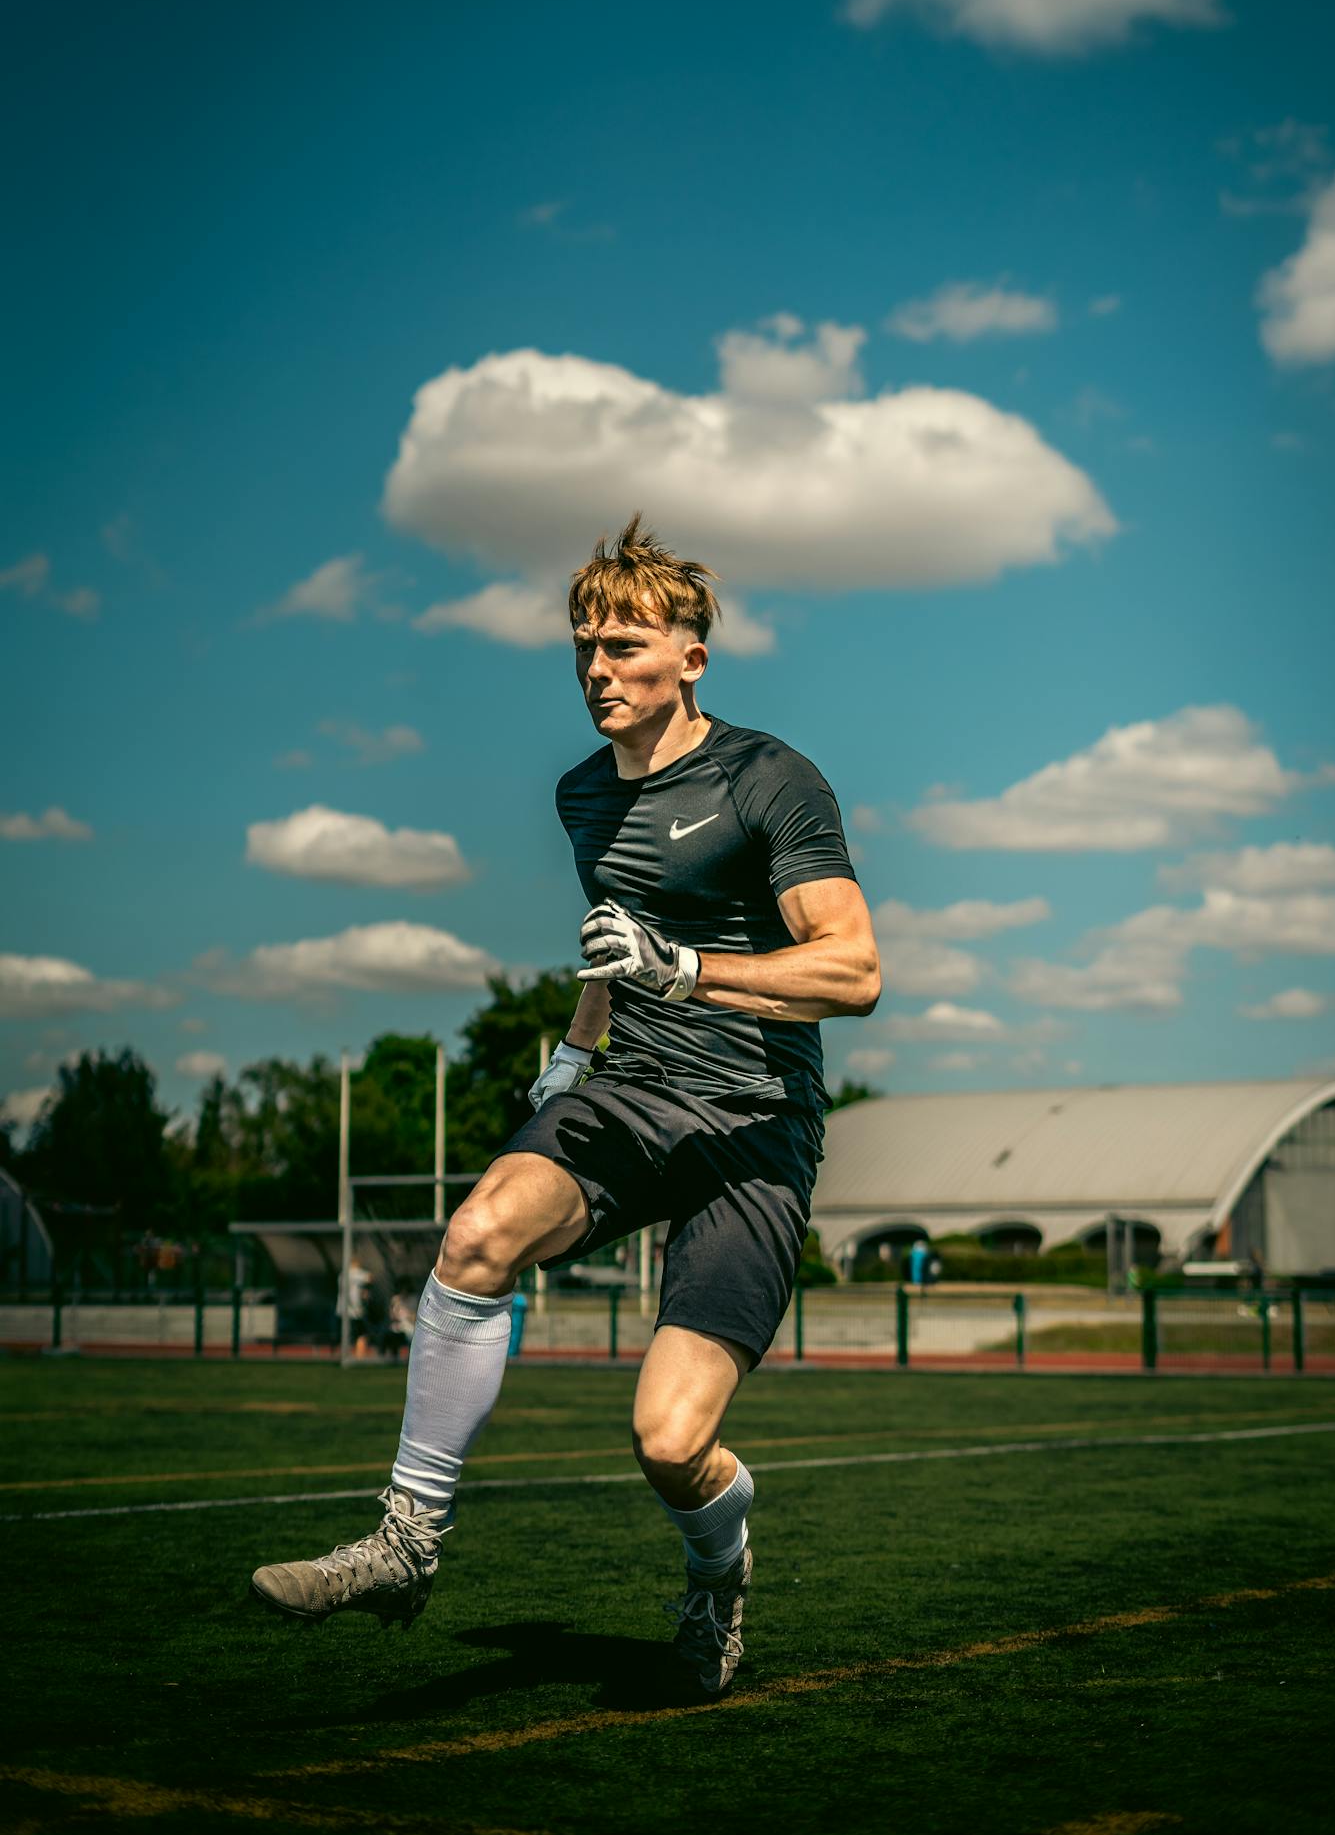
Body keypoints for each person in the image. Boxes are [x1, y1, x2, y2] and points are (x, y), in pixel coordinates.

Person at [251, 515, 880, 1695]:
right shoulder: (583, 794)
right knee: (479, 1230)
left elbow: (854, 970)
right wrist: (574, 1051)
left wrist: (686, 969)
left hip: (753, 1125)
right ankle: (406, 1538)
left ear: (691, 656)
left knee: (670, 1440)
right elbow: (613, 941)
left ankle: (718, 1575)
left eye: (624, 644)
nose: (597, 667)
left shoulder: (770, 777)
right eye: (584, 645)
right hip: (633, 1091)